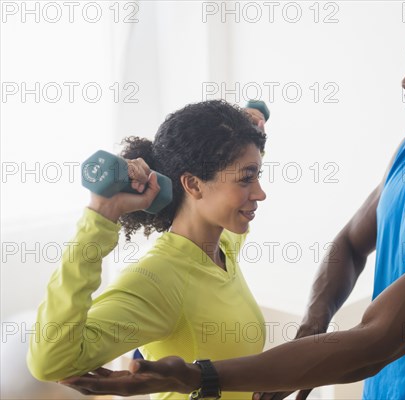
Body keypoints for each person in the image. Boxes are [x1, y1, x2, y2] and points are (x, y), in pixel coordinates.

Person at [60, 2, 405, 399]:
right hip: (385, 386)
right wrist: (313, 324)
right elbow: (353, 243)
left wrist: (196, 376)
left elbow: (374, 342)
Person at [27, 100, 269, 400]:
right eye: (247, 178)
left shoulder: (222, 246)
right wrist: (101, 216)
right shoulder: (160, 279)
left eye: (258, 175)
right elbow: (50, 362)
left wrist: (253, 126)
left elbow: (228, 178)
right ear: (193, 185)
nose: (260, 192)